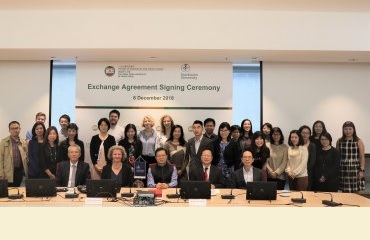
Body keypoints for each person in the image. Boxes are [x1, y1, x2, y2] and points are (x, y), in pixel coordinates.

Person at [336, 121, 365, 193]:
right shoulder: (339, 141)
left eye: (350, 129)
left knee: (356, 192)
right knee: (344, 191)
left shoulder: (358, 141)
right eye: (345, 129)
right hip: (343, 169)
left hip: (355, 169)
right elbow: (337, 156)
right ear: (343, 130)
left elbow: (362, 156)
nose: (348, 131)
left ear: (353, 130)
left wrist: (361, 170)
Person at [0, 121, 28, 187]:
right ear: (9, 130)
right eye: (12, 128)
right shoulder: (3, 142)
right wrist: (1, 174)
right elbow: (0, 159)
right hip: (8, 172)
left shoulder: (24, 142)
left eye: (17, 128)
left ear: (20, 129)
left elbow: (26, 157)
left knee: (19, 191)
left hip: (20, 172)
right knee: (8, 193)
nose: (15, 130)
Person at [298, 125, 316, 191]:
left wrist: (302, 170)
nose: (305, 135)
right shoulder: (295, 144)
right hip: (295, 174)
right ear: (299, 133)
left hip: (307, 174)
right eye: (303, 133)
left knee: (306, 194)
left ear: (309, 135)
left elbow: (312, 162)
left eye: (307, 133)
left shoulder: (312, 146)